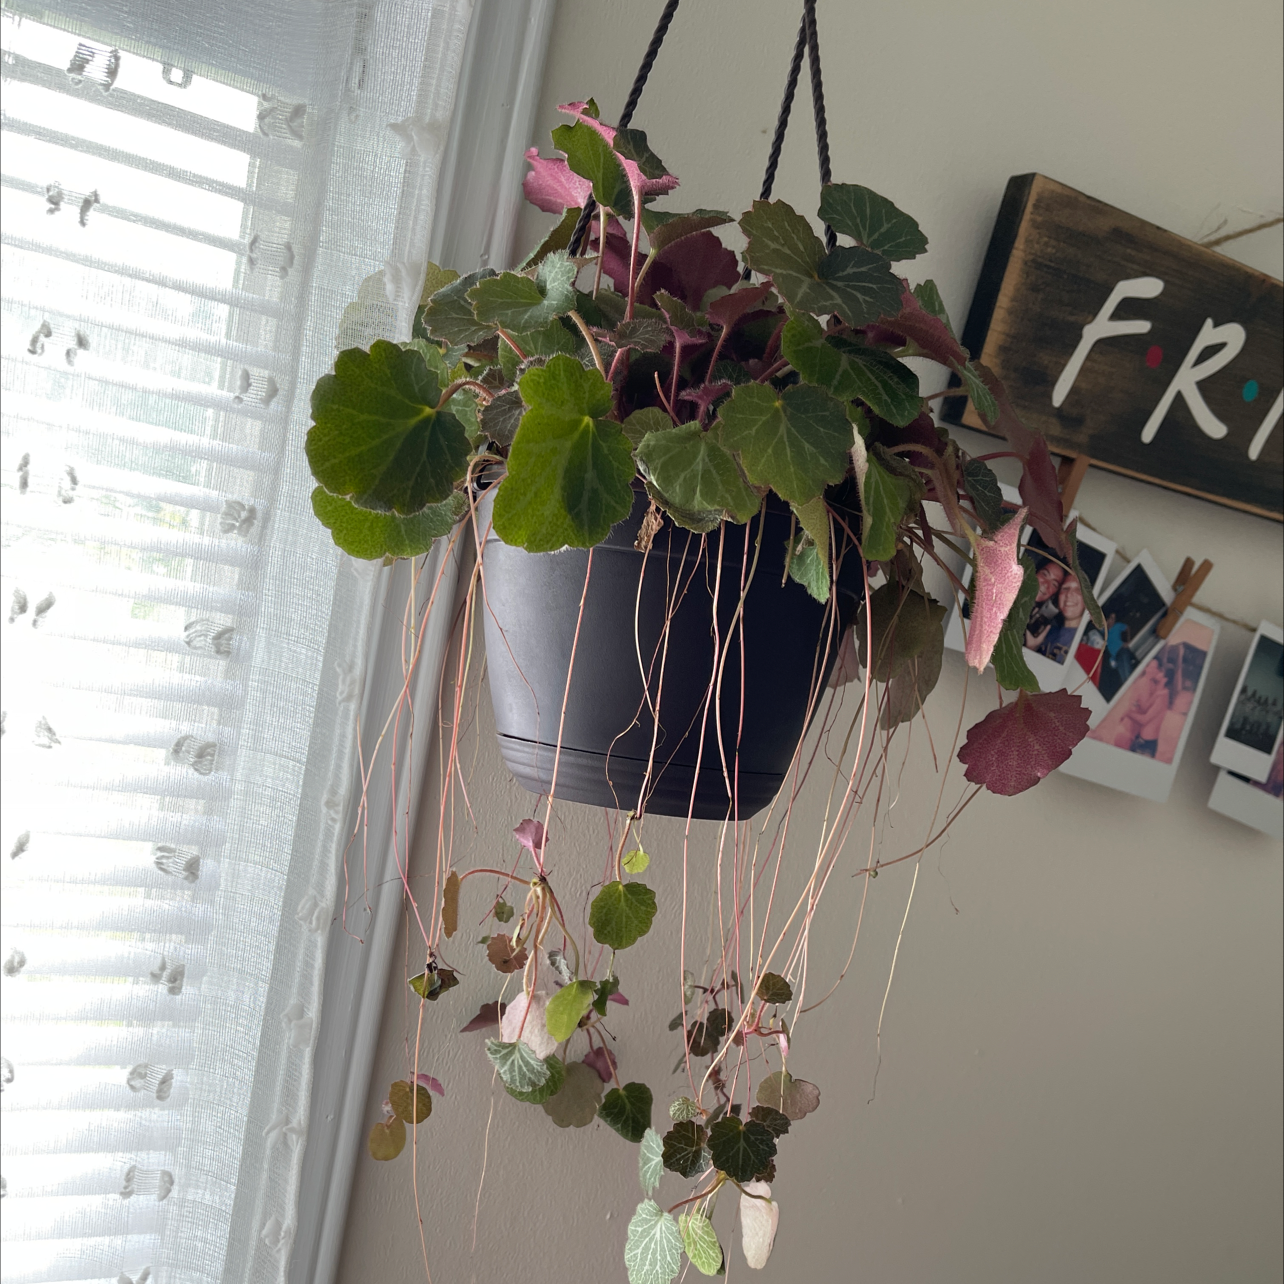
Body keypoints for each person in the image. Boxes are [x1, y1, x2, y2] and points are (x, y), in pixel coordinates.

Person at [1036, 576, 1086, 664]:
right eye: (1065, 588)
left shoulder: (1087, 642)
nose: (1069, 594)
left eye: (1079, 589)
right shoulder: (1046, 632)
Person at [1024, 561, 1066, 650]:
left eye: (1054, 584)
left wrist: (1031, 648)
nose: (1046, 584)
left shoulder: (1046, 629)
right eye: (1044, 575)